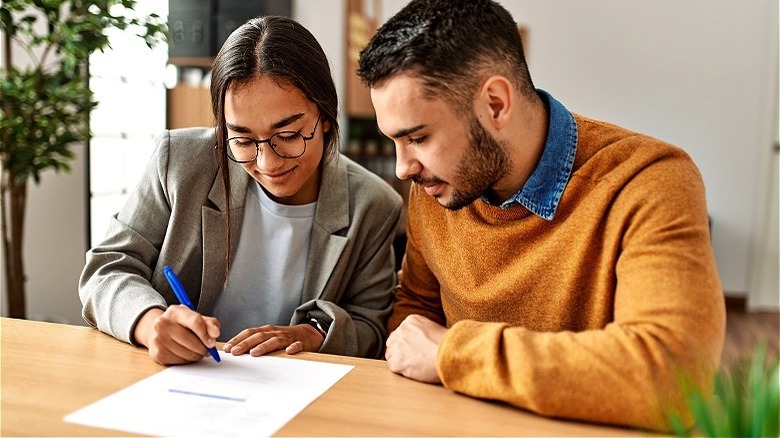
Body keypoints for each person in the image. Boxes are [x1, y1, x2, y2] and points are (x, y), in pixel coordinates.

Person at [357, 0, 725, 431]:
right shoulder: (438, 187)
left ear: (494, 103)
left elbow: (674, 375)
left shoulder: (647, 181)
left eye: (418, 137)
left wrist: (452, 356)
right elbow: (417, 314)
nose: (403, 168)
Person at [80, 16, 402, 365]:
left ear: (325, 117)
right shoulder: (180, 162)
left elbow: (371, 324)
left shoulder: (373, 204)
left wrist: (313, 333)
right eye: (243, 139)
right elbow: (107, 268)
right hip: (181, 379)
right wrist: (150, 323)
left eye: (289, 136)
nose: (267, 162)